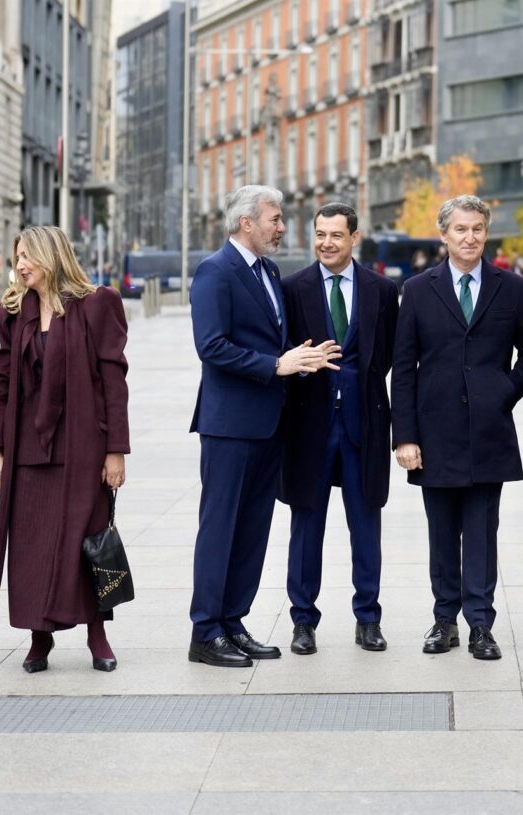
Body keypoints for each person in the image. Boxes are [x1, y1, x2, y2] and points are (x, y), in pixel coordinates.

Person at [188, 185, 338, 668]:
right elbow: (211, 346)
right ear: (245, 222)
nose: (281, 227)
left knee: (252, 528)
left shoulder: (270, 271)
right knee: (220, 528)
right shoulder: (215, 271)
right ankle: (205, 630)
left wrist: (303, 359)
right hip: (229, 426)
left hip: (268, 424)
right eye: (274, 218)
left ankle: (233, 622)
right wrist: (277, 365)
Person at [391, 195, 523, 660]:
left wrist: (502, 391)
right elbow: (404, 367)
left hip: (488, 432)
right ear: (444, 235)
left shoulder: (511, 287)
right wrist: (406, 436)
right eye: (461, 229)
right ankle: (444, 621)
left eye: (478, 228)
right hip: (433, 434)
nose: (470, 237)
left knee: (481, 532)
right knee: (442, 533)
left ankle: (481, 625)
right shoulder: (418, 289)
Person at [0, 225, 130, 673]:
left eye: (28, 256)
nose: (20, 264)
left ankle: (96, 634)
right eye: (17, 256)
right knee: (30, 546)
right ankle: (38, 636)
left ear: (52, 255)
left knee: (84, 541)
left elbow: (114, 382)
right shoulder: (13, 310)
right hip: (28, 448)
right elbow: (2, 383)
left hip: (84, 444)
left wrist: (115, 450)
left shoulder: (98, 303)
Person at [279, 203, 399, 655]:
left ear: (354, 238)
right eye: (319, 234)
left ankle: (368, 618)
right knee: (306, 528)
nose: (326, 242)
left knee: (366, 526)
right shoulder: (292, 288)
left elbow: (386, 357)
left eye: (335, 235)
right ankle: (302, 621)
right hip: (309, 426)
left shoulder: (382, 291)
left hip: (363, 424)